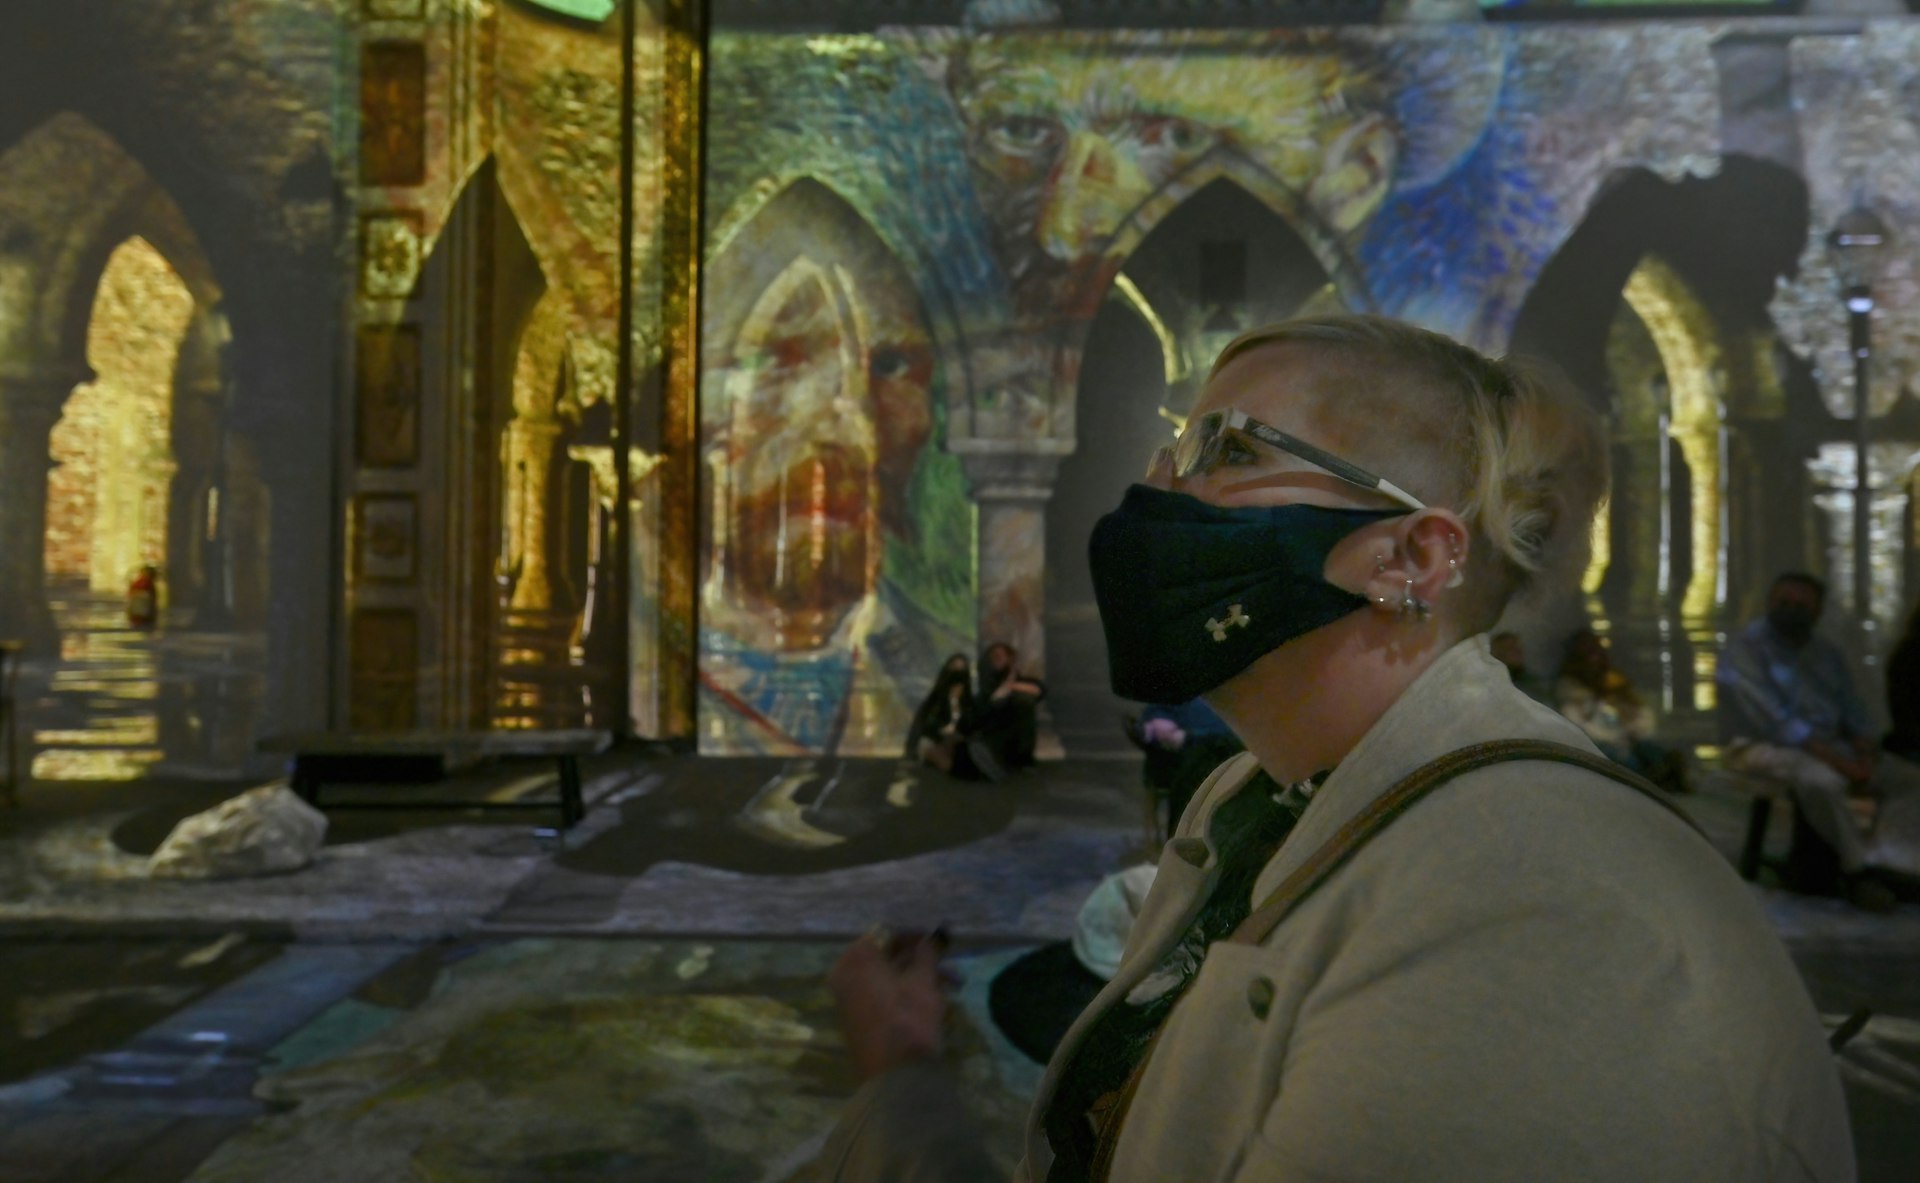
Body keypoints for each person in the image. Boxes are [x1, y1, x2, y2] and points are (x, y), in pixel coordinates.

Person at [817, 314, 1850, 1182]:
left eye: (1230, 452)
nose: (1159, 495)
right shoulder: (1256, 796)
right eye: (1173, 452)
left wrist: (902, 1101)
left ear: (1409, 555)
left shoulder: (1529, 897)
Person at [1718, 571, 1920, 906]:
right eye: (1784, 602)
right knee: (1821, 781)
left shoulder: (1825, 652)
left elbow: (1852, 708)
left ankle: (1890, 861)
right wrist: (1840, 762)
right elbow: (1776, 722)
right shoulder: (1746, 651)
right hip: (1759, 746)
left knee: (1910, 780)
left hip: (1831, 746)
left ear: (1817, 611)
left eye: (1802, 605)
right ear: (1770, 603)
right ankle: (1858, 870)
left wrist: (1865, 751)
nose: (1791, 611)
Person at [1555, 627, 1689, 792]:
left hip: (1627, 737)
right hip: (1602, 744)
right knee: (1623, 761)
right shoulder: (1570, 690)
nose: (1593, 659)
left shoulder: (1615, 683)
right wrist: (1613, 735)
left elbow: (1639, 712)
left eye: (1596, 652)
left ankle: (1664, 773)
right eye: (1588, 653)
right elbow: (1578, 725)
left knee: (1649, 750)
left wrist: (1633, 728)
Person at [1138, 697, 1243, 831]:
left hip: (1226, 749)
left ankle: (1186, 830)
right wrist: (1159, 721)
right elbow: (1155, 710)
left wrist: (1189, 738)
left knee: (1207, 754)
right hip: (1183, 755)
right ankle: (1185, 831)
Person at [961, 641, 1046, 782]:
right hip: (987, 734)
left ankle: (1016, 760)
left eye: (1000, 656)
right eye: (993, 656)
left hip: (1012, 738)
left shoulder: (1022, 683)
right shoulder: (985, 688)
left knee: (1023, 700)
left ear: (1010, 659)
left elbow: (1038, 690)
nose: (996, 659)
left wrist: (1009, 685)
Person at [906, 653, 977, 774]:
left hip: (956, 744)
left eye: (961, 669)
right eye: (954, 668)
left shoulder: (969, 703)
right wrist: (942, 730)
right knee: (945, 762)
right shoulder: (936, 700)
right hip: (933, 741)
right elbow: (923, 724)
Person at [1488, 629, 1554, 704]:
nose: (1517, 652)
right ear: (1498, 655)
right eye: (1510, 649)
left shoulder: (1532, 681)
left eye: (1517, 649)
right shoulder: (1494, 684)